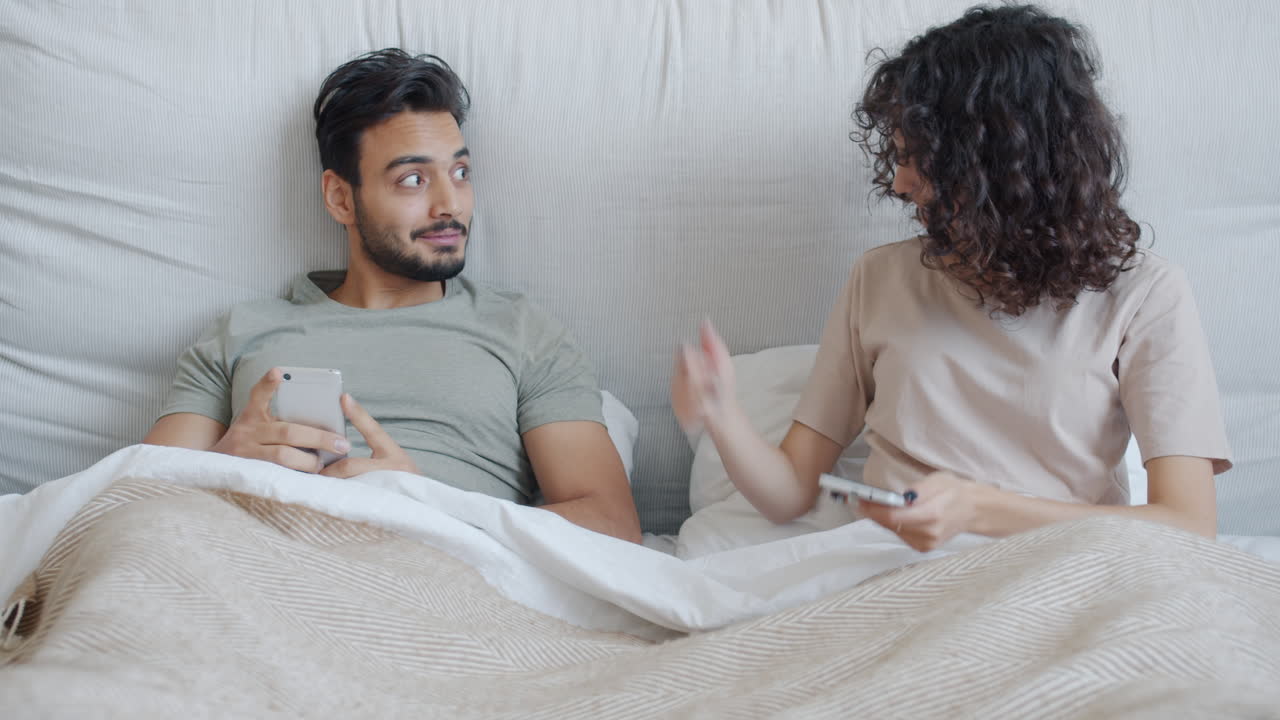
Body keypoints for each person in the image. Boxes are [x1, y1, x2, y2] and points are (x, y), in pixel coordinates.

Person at [672, 4, 1230, 552]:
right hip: (899, 574)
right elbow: (790, 493)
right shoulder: (880, 278)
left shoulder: (1144, 294)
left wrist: (978, 511)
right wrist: (722, 415)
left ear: (1000, 160)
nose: (899, 184)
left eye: (919, 158)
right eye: (898, 156)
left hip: (1061, 574)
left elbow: (1187, 525)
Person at [145, 49, 641, 543]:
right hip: (250, 566)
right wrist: (221, 467)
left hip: (438, 578)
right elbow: (128, 509)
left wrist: (427, 507)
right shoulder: (242, 332)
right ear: (341, 198)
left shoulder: (522, 331)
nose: (450, 204)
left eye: (461, 173)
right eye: (413, 180)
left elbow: (613, 529)